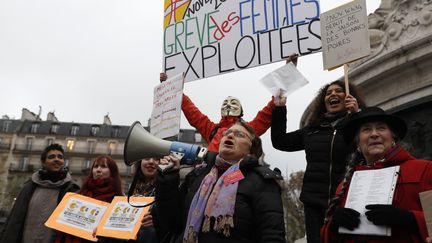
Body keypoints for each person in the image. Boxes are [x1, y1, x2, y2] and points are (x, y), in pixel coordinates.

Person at [155, 121, 286, 243]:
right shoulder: (198, 174)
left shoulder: (262, 181)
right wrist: (168, 180)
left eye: (239, 135)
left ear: (251, 149)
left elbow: (272, 235)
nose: (230, 136)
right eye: (227, 134)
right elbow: (172, 223)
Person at [271, 80, 366, 243]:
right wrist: (279, 109)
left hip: (346, 201)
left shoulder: (357, 125)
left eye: (339, 91)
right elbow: (280, 141)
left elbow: (366, 150)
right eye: (329, 93)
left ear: (349, 97)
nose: (333, 94)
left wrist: (357, 114)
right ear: (323, 102)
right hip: (314, 205)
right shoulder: (312, 130)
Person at [321, 107, 432, 243]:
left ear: (393, 137)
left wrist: (410, 219)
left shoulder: (425, 169)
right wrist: (333, 226)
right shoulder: (347, 183)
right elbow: (326, 237)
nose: (374, 134)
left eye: (381, 128)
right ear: (358, 143)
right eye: (366, 129)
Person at [0, 143, 79, 243]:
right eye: (51, 157)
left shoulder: (71, 190)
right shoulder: (29, 187)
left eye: (60, 157)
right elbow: (15, 219)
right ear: (43, 162)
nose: (57, 159)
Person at [55, 155, 124, 243]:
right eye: (95, 167)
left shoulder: (118, 202)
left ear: (112, 172)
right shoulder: (78, 196)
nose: (98, 170)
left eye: (103, 167)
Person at [132, 158, 163, 243]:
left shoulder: (166, 188)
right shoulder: (134, 187)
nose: (151, 162)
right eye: (146, 158)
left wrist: (155, 223)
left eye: (156, 158)